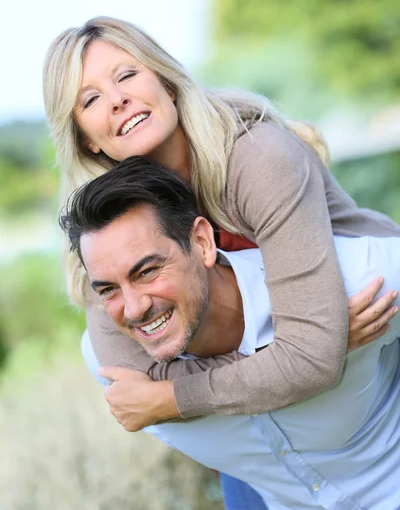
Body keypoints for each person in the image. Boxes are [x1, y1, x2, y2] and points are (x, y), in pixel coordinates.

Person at [43, 16, 400, 431]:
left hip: (383, 320)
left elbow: (311, 358)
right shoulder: (106, 228)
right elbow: (133, 382)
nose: (118, 99)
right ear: (85, 138)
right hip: (293, 388)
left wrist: (312, 348)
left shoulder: (257, 160)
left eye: (128, 75)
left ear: (167, 84)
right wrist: (290, 356)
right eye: (90, 100)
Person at [61, 156, 400, 509]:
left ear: (203, 243)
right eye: (108, 290)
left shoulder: (361, 284)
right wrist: (308, 353)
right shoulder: (126, 380)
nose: (133, 309)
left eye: (147, 271)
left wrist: (315, 342)